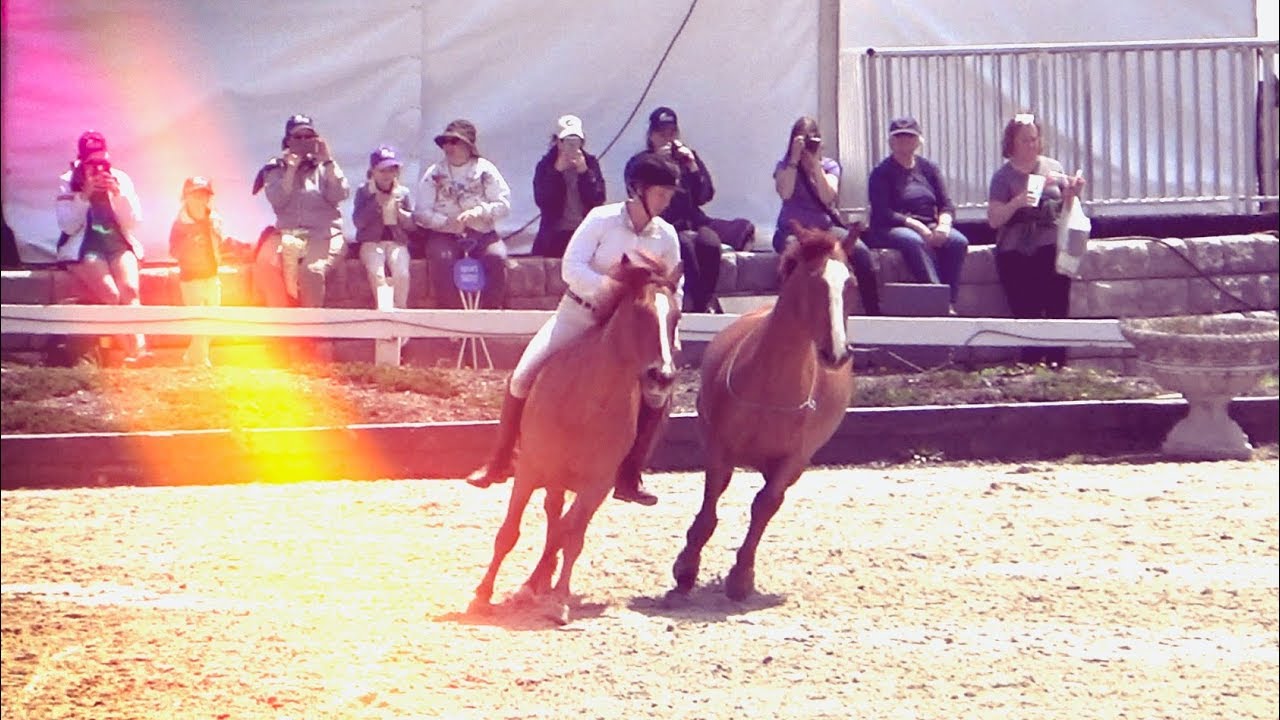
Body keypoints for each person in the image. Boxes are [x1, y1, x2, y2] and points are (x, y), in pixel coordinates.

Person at [465, 153, 683, 506]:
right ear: (637, 189)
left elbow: (674, 288)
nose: (666, 200)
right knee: (522, 376)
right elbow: (572, 267)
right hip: (580, 314)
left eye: (669, 194)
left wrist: (667, 326)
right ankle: (500, 460)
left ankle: (630, 473)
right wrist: (611, 293)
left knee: (659, 392)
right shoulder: (601, 220)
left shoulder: (666, 236)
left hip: (632, 332)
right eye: (661, 193)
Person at [987, 112, 1087, 367]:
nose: (1031, 145)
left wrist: (1073, 193)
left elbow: (1066, 206)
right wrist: (1018, 202)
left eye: (1034, 139)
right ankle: (1031, 364)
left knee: (1056, 307)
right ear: (1012, 143)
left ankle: (1057, 364)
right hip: (1016, 248)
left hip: (1050, 245)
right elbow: (994, 219)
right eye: (1024, 141)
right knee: (1026, 310)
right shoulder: (1003, 177)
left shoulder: (1053, 168)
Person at [638, 106, 753, 313]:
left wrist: (692, 167)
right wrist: (659, 162)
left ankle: (705, 301)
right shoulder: (643, 162)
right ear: (651, 135)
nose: (667, 138)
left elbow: (705, 195)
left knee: (709, 243)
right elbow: (639, 190)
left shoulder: (687, 158)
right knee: (686, 248)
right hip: (667, 223)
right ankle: (698, 305)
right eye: (661, 133)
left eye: (671, 133)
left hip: (694, 220)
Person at [55, 130, 150, 364]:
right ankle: (133, 352)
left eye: (101, 161)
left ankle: (139, 350)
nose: (97, 169)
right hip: (86, 247)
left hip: (117, 243)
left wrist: (117, 194)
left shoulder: (120, 178)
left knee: (129, 290)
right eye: (91, 162)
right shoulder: (67, 180)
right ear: (82, 160)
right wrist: (84, 195)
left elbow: (134, 221)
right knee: (111, 293)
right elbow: (67, 226)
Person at [771, 115, 881, 316]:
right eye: (802, 140)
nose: (807, 146)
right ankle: (792, 312)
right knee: (794, 257)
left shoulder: (829, 166)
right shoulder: (784, 166)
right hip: (793, 229)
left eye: (811, 141)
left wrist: (816, 166)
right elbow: (785, 193)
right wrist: (795, 161)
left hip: (825, 228)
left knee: (862, 254)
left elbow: (828, 196)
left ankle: (873, 310)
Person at [866, 116, 969, 314]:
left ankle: (950, 300)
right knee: (914, 242)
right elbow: (883, 212)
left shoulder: (929, 169)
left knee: (958, 242)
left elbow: (946, 204)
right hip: (892, 228)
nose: (904, 141)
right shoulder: (881, 173)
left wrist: (943, 226)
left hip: (930, 223)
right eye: (899, 137)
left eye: (910, 136)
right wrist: (918, 227)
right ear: (891, 142)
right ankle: (939, 301)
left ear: (919, 141)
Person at [253, 114, 350, 308]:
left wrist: (328, 160)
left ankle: (311, 330)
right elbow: (278, 201)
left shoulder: (324, 167)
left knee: (311, 271)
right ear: (288, 141)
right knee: (266, 266)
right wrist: (290, 170)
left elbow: (341, 193)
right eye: (298, 137)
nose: (304, 142)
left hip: (323, 234)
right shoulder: (275, 169)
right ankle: (282, 325)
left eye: (308, 137)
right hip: (287, 232)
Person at [414, 119, 512, 309]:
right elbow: (420, 212)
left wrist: (479, 212)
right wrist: (445, 222)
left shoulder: (485, 170)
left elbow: (504, 204)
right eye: (445, 142)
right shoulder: (434, 172)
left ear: (468, 145)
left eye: (454, 142)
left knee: (497, 257)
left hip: (482, 233)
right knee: (442, 259)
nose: (448, 147)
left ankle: (490, 313)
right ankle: (451, 317)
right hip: (444, 234)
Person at [530, 114, 606, 258]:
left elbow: (598, 199)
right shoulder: (545, 165)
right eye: (567, 141)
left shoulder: (590, 163)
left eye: (576, 141)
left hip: (585, 232)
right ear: (558, 142)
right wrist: (556, 172)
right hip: (555, 235)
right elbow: (543, 202)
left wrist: (585, 173)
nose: (572, 145)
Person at [168, 176, 224, 366]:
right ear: (186, 197)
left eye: (205, 195)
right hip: (191, 278)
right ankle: (201, 361)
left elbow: (219, 242)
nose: (202, 200)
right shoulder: (180, 224)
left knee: (214, 321)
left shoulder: (214, 218)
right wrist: (188, 241)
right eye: (196, 195)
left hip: (212, 274)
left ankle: (191, 356)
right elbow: (173, 251)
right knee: (199, 321)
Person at [352, 145, 414, 309]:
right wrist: (374, 204)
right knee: (377, 274)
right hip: (372, 241)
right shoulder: (364, 192)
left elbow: (412, 226)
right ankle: (384, 314)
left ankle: (400, 313)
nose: (387, 175)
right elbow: (358, 222)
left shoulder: (403, 192)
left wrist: (402, 215)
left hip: (397, 241)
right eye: (382, 170)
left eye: (392, 170)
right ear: (373, 171)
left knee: (401, 273)